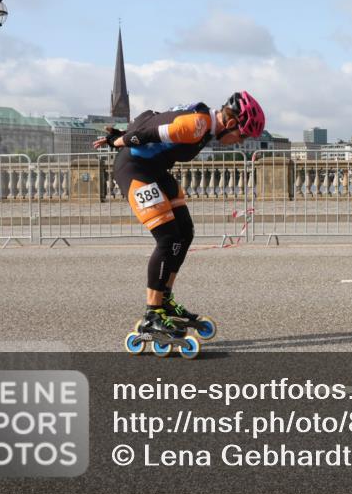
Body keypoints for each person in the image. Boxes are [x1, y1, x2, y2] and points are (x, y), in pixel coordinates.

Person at [92, 91, 265, 345]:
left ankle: (165, 299)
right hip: (136, 169)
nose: (240, 142)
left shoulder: (204, 124)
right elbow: (152, 131)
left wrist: (126, 133)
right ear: (230, 124)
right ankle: (152, 314)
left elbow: (150, 116)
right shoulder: (198, 124)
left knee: (185, 232)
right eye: (242, 135)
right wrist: (120, 140)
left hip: (155, 170)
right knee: (167, 237)